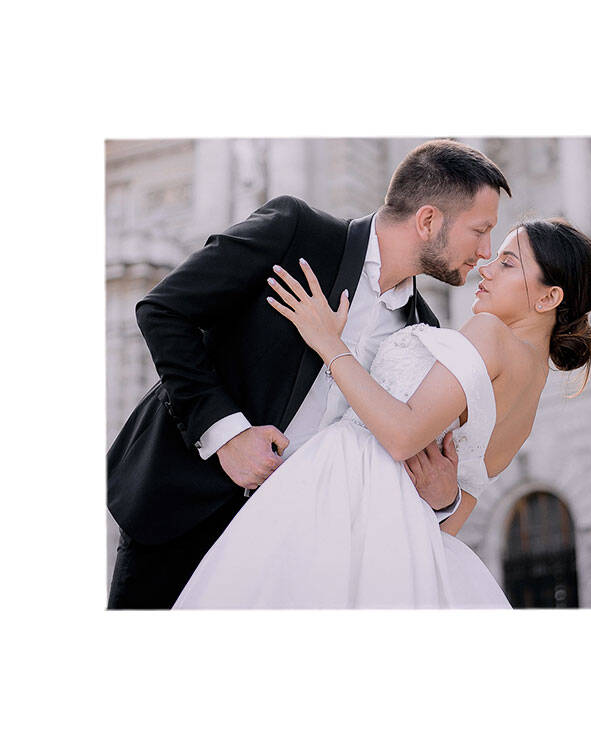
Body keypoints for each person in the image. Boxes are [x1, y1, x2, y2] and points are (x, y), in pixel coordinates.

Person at [107, 139, 512, 609]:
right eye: (480, 230)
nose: (485, 251)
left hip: (300, 560)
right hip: (186, 510)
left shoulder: (424, 332)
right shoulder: (297, 232)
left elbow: (393, 457)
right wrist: (227, 434)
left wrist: (441, 499)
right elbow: (163, 311)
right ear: (428, 220)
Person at [173, 218, 591, 608]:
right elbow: (451, 517)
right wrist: (444, 499)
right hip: (402, 538)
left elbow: (401, 434)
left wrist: (328, 342)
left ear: (549, 297)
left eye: (508, 263)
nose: (486, 268)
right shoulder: (530, 399)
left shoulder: (489, 334)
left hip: (342, 487)